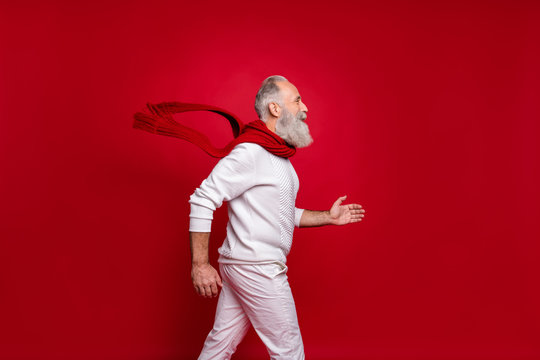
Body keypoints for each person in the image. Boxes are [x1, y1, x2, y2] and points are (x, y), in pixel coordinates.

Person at [189, 75, 365, 359]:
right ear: (274, 108)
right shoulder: (251, 152)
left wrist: (328, 217)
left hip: (242, 267)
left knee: (219, 346)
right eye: (296, 100)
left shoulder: (277, 156)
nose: (304, 107)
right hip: (257, 268)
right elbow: (202, 199)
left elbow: (279, 212)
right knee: (289, 351)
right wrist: (200, 265)